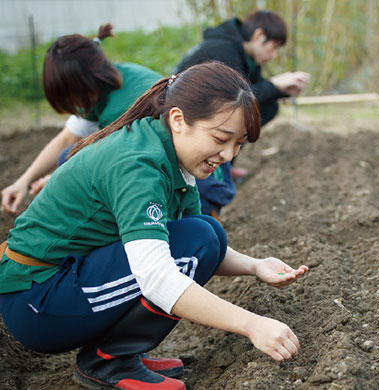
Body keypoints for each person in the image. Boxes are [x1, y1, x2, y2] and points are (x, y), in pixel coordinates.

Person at [0, 62, 309, 390]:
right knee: (194, 244)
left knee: (207, 233)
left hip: (60, 282)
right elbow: (157, 277)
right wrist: (251, 325)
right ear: (178, 120)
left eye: (239, 143)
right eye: (221, 138)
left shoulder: (169, 151)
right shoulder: (139, 167)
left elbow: (198, 242)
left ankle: (117, 352)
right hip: (37, 303)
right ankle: (108, 360)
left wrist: (256, 266)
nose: (228, 154)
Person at [1, 24, 162, 215]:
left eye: (71, 95)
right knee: (67, 155)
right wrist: (23, 182)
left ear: (87, 81)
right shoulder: (115, 78)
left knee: (70, 160)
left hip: (175, 182)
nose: (73, 105)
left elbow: (113, 166)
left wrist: (57, 179)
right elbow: (66, 139)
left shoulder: (124, 106)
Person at [175, 10, 310, 217]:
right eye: (272, 48)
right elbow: (234, 99)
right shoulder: (224, 51)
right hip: (196, 115)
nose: (273, 55)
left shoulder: (243, 54)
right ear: (257, 35)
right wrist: (275, 85)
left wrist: (278, 90)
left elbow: (251, 91)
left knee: (267, 106)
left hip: (213, 114)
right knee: (246, 113)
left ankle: (224, 165)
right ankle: (216, 172)